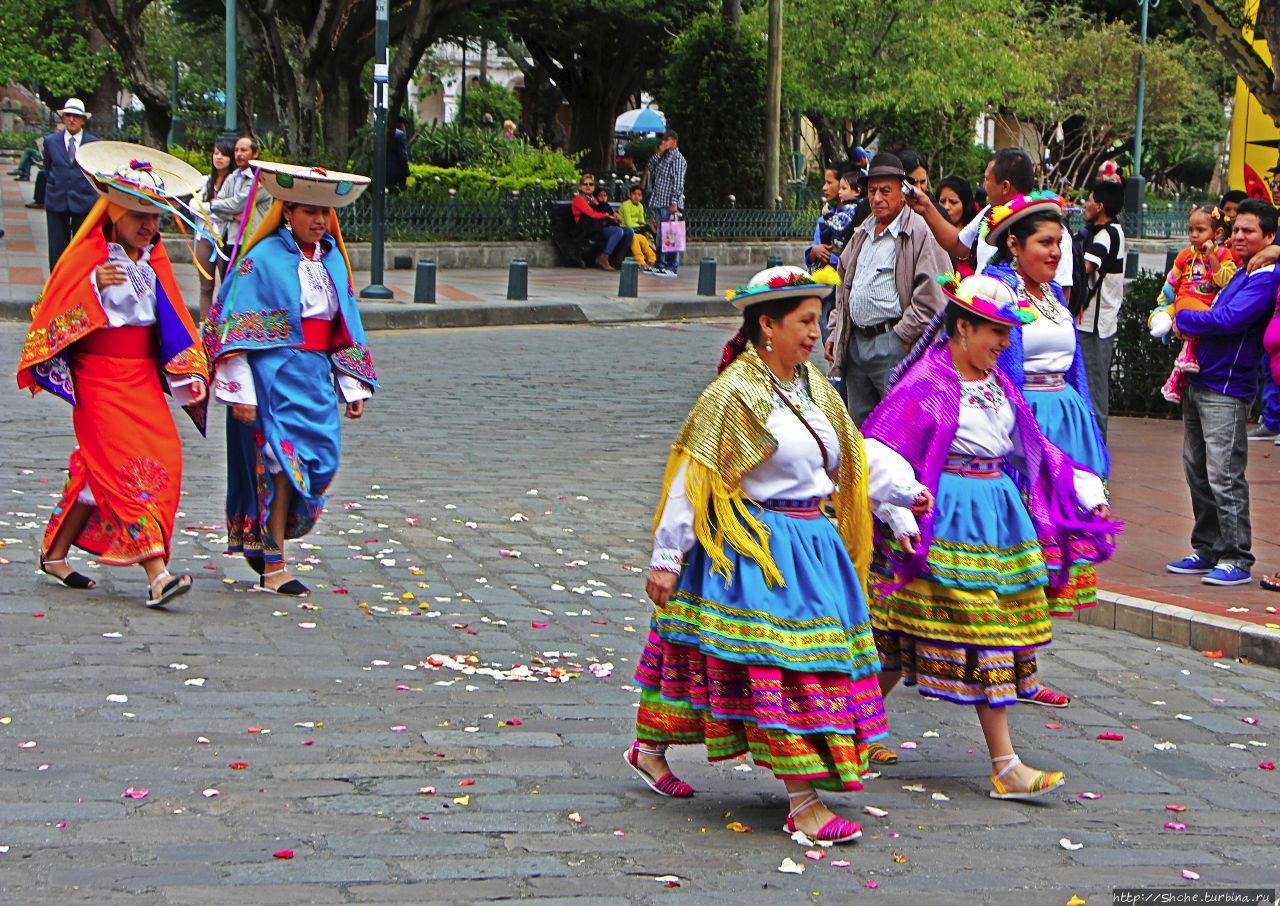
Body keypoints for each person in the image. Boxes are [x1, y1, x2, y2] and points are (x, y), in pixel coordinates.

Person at [630, 265, 901, 843]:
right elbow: (694, 476)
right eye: (804, 322)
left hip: (813, 548)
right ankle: (803, 802)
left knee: (728, 658)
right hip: (757, 550)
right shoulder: (733, 395)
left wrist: (900, 500)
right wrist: (666, 555)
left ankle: (647, 747)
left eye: (818, 320)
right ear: (766, 326)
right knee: (781, 669)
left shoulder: (814, 388)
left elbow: (848, 457)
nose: (814, 332)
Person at [862, 274, 1115, 798]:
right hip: (945, 520)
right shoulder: (926, 385)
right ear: (960, 328)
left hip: (996, 520)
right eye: (994, 332)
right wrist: (901, 514)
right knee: (971, 635)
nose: (1004, 343)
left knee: (910, 636)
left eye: (1006, 333)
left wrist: (1085, 490)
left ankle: (854, 729)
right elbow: (880, 453)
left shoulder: (998, 385)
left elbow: (1034, 449)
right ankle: (1004, 765)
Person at [17, 142, 211, 607]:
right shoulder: (88, 257)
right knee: (128, 469)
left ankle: (55, 552)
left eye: (155, 218)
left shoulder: (155, 259)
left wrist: (192, 370)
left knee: (150, 458)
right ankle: (157, 572)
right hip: (99, 378)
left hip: (141, 378)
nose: (148, 227)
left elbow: (173, 321)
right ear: (114, 214)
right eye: (137, 216)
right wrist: (91, 289)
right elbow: (51, 311)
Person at [203, 161, 378, 595]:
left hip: (314, 379)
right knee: (279, 467)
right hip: (272, 379)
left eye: (325, 213)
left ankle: (265, 545)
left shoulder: (334, 260)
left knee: (320, 462)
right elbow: (233, 330)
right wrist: (240, 392)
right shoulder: (259, 260)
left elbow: (345, 322)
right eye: (307, 211)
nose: (318, 221)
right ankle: (274, 564)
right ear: (285, 211)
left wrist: (351, 383)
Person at [1167, 199, 1280, 587]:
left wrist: (1180, 317)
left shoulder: (1265, 277)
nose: (1238, 236)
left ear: (1268, 236)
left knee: (1224, 474)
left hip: (1227, 388)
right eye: (1235, 230)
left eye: (1248, 231)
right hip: (1199, 380)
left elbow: (1227, 319)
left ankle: (1236, 556)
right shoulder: (1238, 271)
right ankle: (1208, 548)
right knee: (1196, 470)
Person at [824, 153, 951, 424]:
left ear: (902, 194)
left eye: (885, 190)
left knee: (899, 426)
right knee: (861, 426)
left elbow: (933, 296)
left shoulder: (920, 230)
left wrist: (901, 337)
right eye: (872, 191)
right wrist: (836, 331)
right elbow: (842, 290)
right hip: (857, 343)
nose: (877, 198)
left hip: (893, 344)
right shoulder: (862, 231)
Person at [906, 149, 1075, 299]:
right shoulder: (989, 212)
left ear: (1005, 186)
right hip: (985, 325)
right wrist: (926, 208)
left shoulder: (1050, 228)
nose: (983, 185)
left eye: (987, 179)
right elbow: (957, 244)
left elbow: (1063, 294)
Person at [1149, 206, 1237, 404]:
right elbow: (1172, 281)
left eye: (1200, 230)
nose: (1194, 235)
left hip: (1209, 305)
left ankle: (1175, 379)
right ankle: (1185, 360)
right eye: (1191, 230)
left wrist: (1212, 256)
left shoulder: (1224, 254)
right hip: (1185, 300)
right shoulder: (1184, 255)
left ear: (1218, 233)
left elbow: (1224, 281)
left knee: (1204, 326)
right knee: (1201, 321)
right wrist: (1163, 306)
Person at [1075, 165, 1127, 434]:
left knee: (1094, 386)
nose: (1086, 203)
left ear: (1102, 206)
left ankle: (1098, 448)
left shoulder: (1107, 235)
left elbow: (1086, 267)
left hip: (1096, 324)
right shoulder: (1101, 232)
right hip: (1091, 321)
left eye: (1091, 199)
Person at [42, 98, 100, 270]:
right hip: (56, 200)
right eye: (68, 115)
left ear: (83, 120)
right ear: (63, 118)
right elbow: (47, 168)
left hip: (84, 201)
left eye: (76, 116)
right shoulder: (51, 142)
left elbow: (95, 173)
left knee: (82, 249)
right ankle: (56, 288)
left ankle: (79, 286)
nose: (72, 119)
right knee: (56, 249)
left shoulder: (93, 144)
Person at [192, 137, 237, 320]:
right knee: (206, 286)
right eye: (216, 153)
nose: (218, 158)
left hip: (225, 238)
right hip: (204, 236)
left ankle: (224, 330)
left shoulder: (235, 182)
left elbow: (235, 209)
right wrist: (216, 207)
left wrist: (212, 207)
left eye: (224, 154)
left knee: (226, 285)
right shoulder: (205, 181)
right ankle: (204, 329)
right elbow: (193, 204)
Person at [208, 135, 272, 245]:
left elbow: (236, 204)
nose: (238, 154)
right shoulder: (232, 177)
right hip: (230, 239)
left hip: (251, 241)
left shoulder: (262, 179)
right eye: (236, 150)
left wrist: (213, 204)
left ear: (255, 153)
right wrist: (232, 215)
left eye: (243, 150)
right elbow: (218, 210)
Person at [646, 129, 687, 277]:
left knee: (671, 234)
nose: (663, 142)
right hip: (658, 199)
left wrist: (674, 202)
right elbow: (651, 167)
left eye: (666, 140)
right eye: (662, 140)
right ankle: (660, 263)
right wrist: (659, 152)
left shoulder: (678, 159)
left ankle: (671, 266)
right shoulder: (663, 156)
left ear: (674, 142)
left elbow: (678, 182)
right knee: (660, 235)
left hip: (669, 202)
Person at [569, 174, 630, 271]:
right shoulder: (579, 199)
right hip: (587, 229)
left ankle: (618, 258)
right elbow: (592, 214)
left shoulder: (593, 199)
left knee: (629, 232)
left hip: (599, 225)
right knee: (617, 231)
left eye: (591, 184)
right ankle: (604, 257)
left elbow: (602, 209)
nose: (588, 186)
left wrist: (614, 215)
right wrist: (607, 215)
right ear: (580, 186)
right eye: (585, 184)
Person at [935, 176, 978, 274]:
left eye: (953, 202)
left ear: (965, 205)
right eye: (942, 201)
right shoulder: (930, 236)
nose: (946, 207)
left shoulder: (977, 238)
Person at [618, 184, 657, 270]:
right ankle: (641, 262)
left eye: (639, 195)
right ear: (630, 195)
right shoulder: (626, 205)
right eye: (634, 194)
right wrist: (640, 225)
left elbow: (641, 221)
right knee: (634, 239)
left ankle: (652, 260)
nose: (636, 197)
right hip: (625, 230)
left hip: (636, 230)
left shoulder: (640, 206)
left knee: (643, 239)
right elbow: (628, 223)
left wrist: (646, 224)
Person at [387, 117, 410, 194]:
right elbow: (403, 155)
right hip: (396, 173)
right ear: (400, 124)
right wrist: (406, 171)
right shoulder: (400, 135)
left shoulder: (382, 132)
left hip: (382, 172)